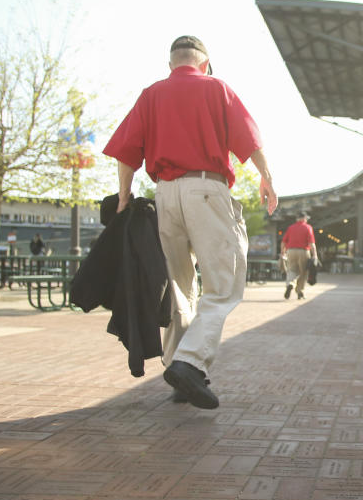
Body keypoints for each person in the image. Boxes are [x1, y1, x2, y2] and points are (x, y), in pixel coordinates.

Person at [102, 35, 278, 410]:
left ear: (171, 65)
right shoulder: (216, 88)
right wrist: (267, 178)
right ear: (205, 63)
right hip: (206, 190)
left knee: (180, 288)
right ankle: (190, 362)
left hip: (164, 194)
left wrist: (123, 195)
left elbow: (127, 150)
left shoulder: (152, 94)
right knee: (224, 284)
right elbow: (249, 138)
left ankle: (180, 375)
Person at [280, 211, 317, 300]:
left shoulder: (291, 228)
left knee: (292, 270)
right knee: (303, 272)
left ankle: (290, 284)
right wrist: (315, 255)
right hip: (303, 251)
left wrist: (283, 252)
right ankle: (300, 292)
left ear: (297, 219)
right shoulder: (308, 227)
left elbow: (283, 242)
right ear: (304, 219)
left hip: (291, 251)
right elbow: (311, 243)